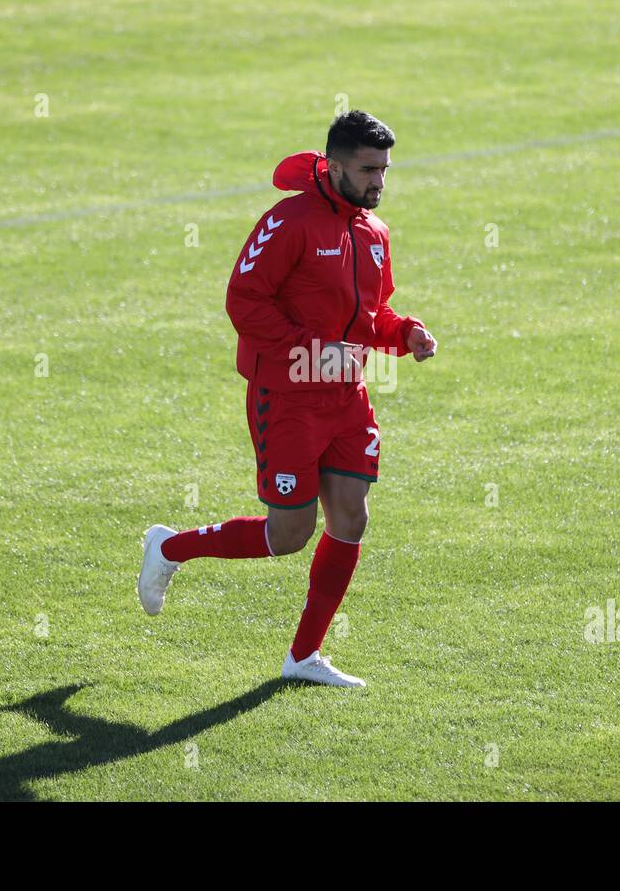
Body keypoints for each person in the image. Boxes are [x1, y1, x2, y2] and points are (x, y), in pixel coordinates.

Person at [138, 110, 437, 687]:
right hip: (288, 397)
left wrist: (404, 335)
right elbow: (244, 300)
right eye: (368, 170)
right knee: (289, 536)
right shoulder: (288, 221)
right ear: (334, 164)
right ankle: (170, 546)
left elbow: (371, 316)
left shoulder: (374, 233)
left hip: (346, 396)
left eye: (386, 170)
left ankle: (303, 658)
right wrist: (310, 348)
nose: (379, 182)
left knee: (351, 516)